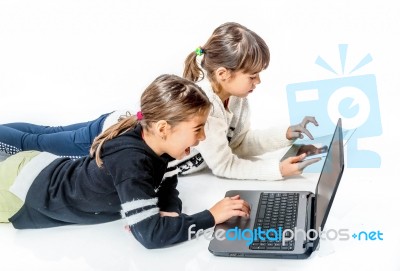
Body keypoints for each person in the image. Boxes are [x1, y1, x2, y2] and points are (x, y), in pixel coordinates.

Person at [0, 74, 251, 249]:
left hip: (41, 171)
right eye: (197, 129)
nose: (203, 137)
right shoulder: (131, 162)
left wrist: (170, 214)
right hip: (18, 191)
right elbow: (151, 235)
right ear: (164, 128)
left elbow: (167, 184)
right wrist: (211, 216)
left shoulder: (159, 148)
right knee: (34, 137)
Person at [175, 21, 320, 180]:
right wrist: (278, 170)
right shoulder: (204, 105)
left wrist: (286, 134)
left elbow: (239, 144)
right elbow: (224, 166)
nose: (258, 81)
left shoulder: (236, 97)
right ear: (223, 74)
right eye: (252, 76)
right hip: (167, 177)